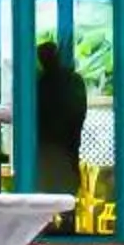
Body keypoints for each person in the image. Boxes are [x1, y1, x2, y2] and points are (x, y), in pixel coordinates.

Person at [34, 37, 87, 195]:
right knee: (66, 175)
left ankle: (56, 216)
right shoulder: (73, 79)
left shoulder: (39, 82)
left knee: (51, 177)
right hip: (66, 139)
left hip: (48, 140)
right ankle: (68, 215)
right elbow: (80, 109)